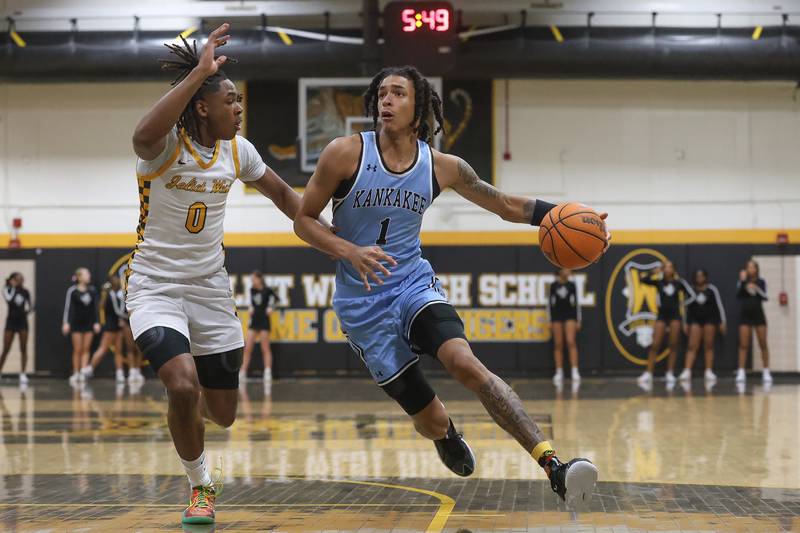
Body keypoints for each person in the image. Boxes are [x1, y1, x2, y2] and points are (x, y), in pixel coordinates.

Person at [294, 65, 610, 508]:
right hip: (362, 307)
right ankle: (445, 433)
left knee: (466, 364)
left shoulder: (441, 166)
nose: (385, 100)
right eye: (381, 93)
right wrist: (348, 250)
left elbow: (505, 205)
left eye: (397, 93)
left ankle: (553, 466)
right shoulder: (344, 153)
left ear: (418, 108)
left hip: (411, 286)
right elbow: (303, 221)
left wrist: (581, 220)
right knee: (431, 417)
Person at [126, 24, 321, 524]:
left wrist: (333, 238)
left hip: (211, 289)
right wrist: (199, 73)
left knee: (224, 413)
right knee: (182, 384)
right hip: (155, 286)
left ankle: (189, 426)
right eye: (230, 100)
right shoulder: (165, 146)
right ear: (201, 106)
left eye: (239, 101)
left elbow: (285, 198)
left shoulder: (239, 152)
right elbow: (141, 136)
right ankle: (200, 485)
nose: (239, 109)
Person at [637, 261, 694, 387]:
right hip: (661, 316)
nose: (667, 269)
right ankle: (648, 373)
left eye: (670, 267)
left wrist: (682, 304)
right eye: (665, 267)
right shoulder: (659, 282)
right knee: (655, 344)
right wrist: (653, 272)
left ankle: (669, 372)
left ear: (674, 270)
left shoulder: (679, 283)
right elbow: (643, 280)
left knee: (673, 344)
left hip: (675, 316)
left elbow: (691, 295)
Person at [679, 269, 726, 383]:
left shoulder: (712, 289)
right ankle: (687, 370)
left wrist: (722, 322)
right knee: (692, 345)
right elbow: (686, 308)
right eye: (697, 276)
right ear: (694, 278)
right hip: (695, 320)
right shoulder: (691, 290)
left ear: (705, 277)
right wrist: (685, 323)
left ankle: (708, 371)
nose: (700, 278)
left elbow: (719, 306)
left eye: (702, 276)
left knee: (709, 345)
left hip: (710, 320)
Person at [82, 275, 127, 383]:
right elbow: (101, 307)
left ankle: (119, 373)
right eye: (114, 281)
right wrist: (104, 293)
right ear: (111, 283)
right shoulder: (107, 294)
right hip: (110, 325)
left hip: (119, 325)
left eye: (118, 280)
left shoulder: (121, 294)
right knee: (103, 349)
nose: (117, 282)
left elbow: (123, 309)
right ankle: (89, 369)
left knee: (118, 350)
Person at [62, 268, 100, 385]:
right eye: (86, 274)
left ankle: (83, 372)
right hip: (76, 324)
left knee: (86, 349)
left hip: (89, 323)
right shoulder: (72, 291)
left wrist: (97, 322)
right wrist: (66, 323)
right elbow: (68, 308)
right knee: (77, 349)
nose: (89, 276)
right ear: (79, 277)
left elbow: (95, 308)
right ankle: (76, 372)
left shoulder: (92, 291)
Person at [735, 259, 771, 384]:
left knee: (763, 343)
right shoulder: (742, 281)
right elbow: (738, 295)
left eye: (753, 267)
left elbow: (766, 297)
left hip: (758, 315)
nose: (750, 270)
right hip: (745, 315)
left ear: (756, 269)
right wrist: (743, 281)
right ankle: (741, 371)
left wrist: (755, 287)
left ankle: (766, 371)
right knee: (743, 344)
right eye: (748, 267)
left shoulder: (761, 282)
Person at [240, 271, 278, 383]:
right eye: (251, 280)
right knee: (247, 348)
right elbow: (253, 303)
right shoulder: (252, 290)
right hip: (254, 321)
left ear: (259, 279)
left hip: (264, 321)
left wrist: (271, 307)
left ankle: (267, 372)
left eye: (254, 279)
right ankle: (242, 372)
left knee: (265, 348)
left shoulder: (268, 291)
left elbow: (276, 300)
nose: (252, 281)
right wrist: (251, 307)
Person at [547, 268, 581, 384]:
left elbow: (577, 303)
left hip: (569, 315)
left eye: (569, 270)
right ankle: (559, 371)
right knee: (558, 343)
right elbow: (549, 304)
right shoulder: (553, 285)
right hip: (556, 315)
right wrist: (550, 320)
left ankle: (574, 370)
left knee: (571, 341)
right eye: (566, 269)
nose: (569, 271)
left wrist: (578, 319)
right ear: (560, 271)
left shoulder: (572, 285)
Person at [0, 272, 32, 384]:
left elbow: (30, 305)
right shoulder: (7, 290)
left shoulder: (26, 292)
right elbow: (9, 299)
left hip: (22, 323)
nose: (21, 280)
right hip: (11, 323)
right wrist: (11, 287)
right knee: (6, 348)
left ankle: (23, 373)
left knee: (23, 348)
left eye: (22, 278)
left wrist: (28, 311)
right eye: (18, 278)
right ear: (13, 280)